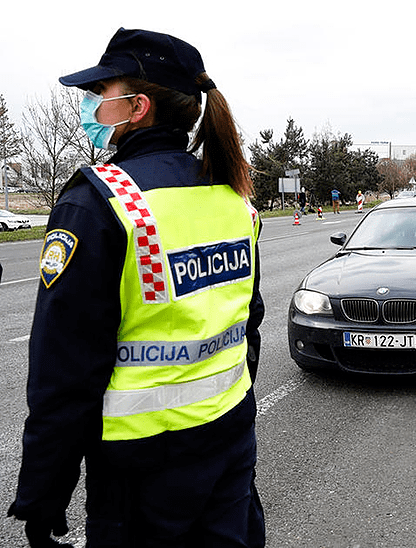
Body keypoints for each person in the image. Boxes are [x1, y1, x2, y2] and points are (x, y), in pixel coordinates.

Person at [8, 28, 266, 547]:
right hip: (229, 442)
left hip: (142, 467)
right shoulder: (232, 197)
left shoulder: (102, 203)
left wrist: (44, 494)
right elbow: (247, 326)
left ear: (137, 107)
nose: (91, 106)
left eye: (101, 94)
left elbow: (65, 376)